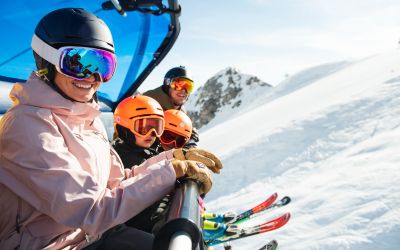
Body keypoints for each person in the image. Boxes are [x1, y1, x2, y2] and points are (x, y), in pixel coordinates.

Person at [0, 8, 222, 250]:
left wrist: (173, 159)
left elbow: (116, 182)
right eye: (78, 62)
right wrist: (170, 173)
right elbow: (92, 210)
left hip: (93, 236)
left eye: (103, 66)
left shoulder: (87, 118)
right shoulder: (26, 127)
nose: (94, 77)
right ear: (47, 59)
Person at [143, 66, 200, 147]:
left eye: (188, 87)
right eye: (178, 85)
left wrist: (188, 134)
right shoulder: (148, 103)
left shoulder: (181, 112)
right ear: (167, 84)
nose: (184, 91)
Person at [112, 95, 164, 168]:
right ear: (124, 129)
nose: (151, 134)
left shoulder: (144, 151)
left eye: (156, 127)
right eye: (142, 128)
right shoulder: (129, 161)